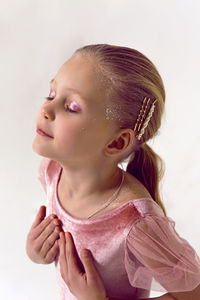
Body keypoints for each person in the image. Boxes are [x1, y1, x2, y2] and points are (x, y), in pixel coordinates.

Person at [26, 44, 200, 300]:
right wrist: (36, 251)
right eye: (51, 94)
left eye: (72, 107)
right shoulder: (52, 171)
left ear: (116, 143)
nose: (46, 110)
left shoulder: (136, 224)